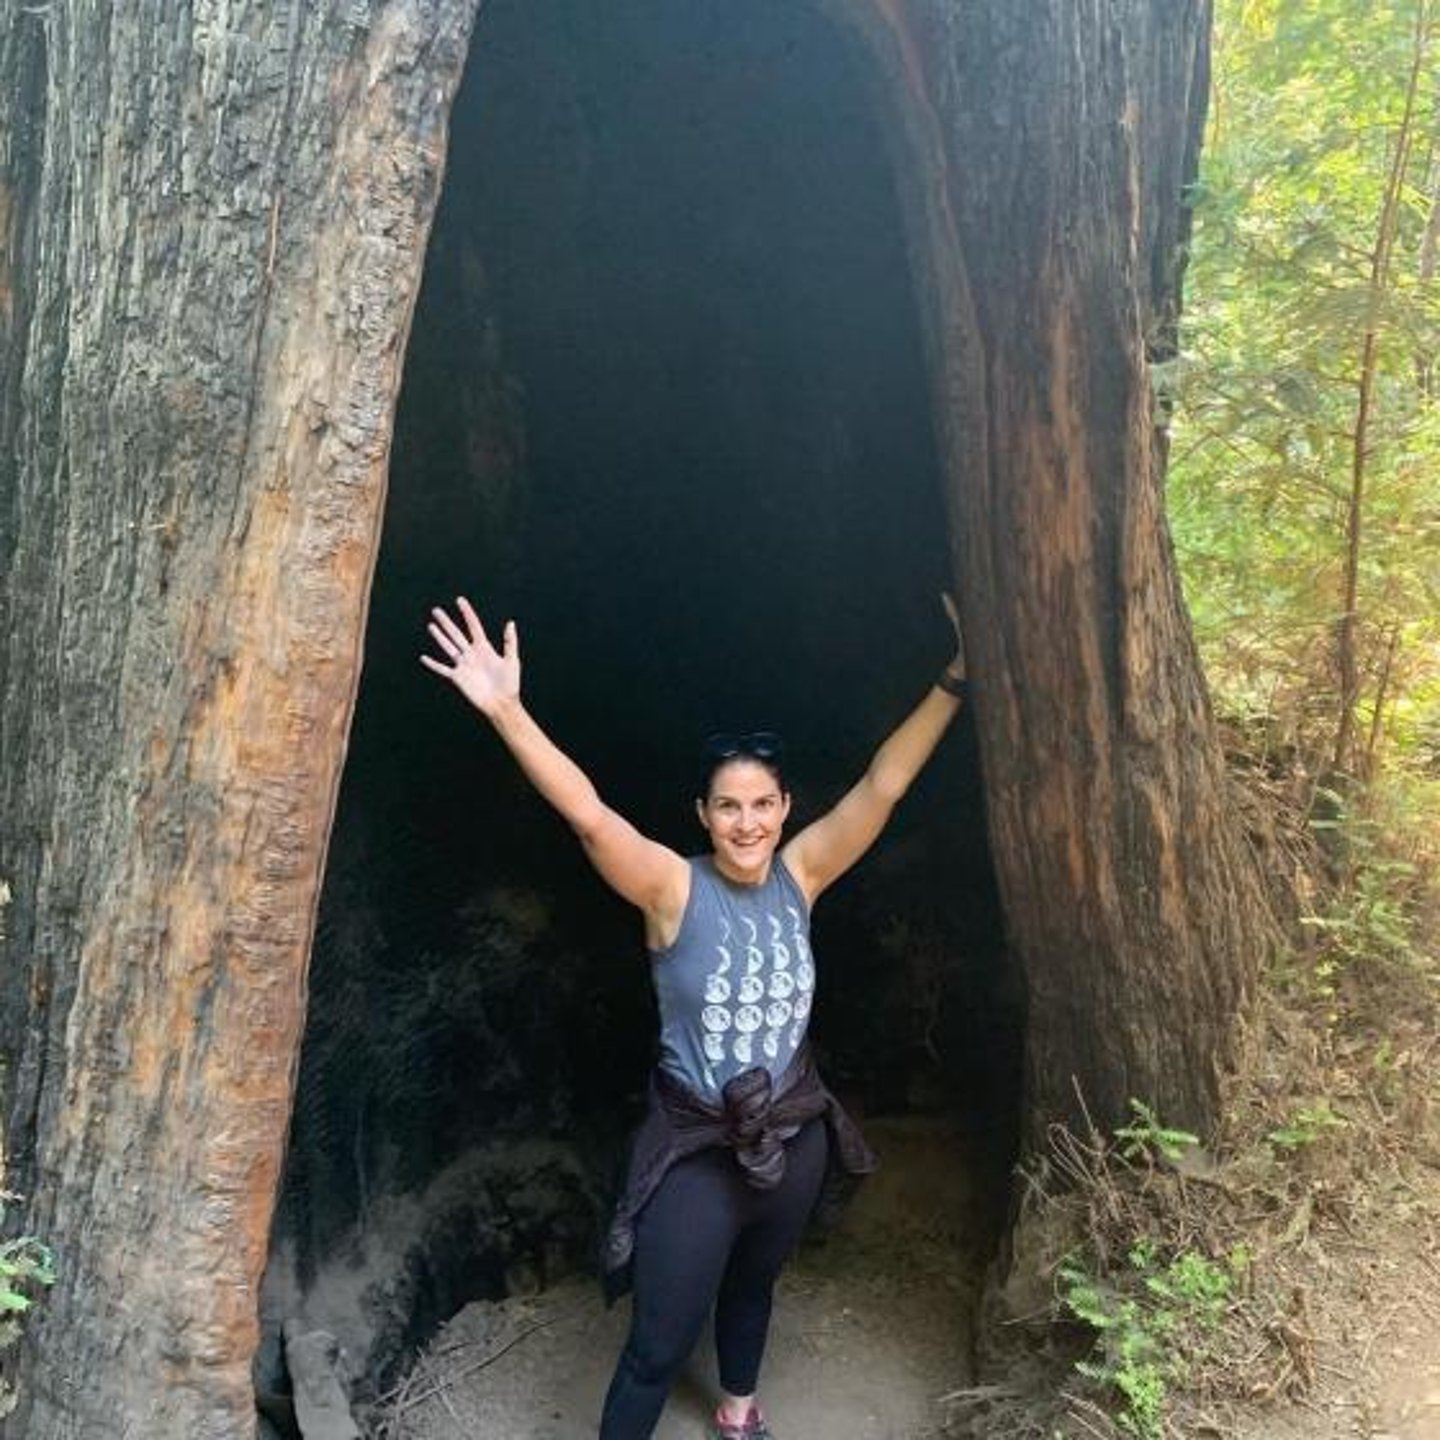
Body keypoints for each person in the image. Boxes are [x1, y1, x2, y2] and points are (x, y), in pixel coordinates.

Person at [421, 595, 968, 1440]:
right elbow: (588, 812)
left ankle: (739, 1413)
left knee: (755, 1286)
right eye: (726, 807)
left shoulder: (803, 876)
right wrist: (506, 710)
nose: (745, 823)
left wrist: (954, 681)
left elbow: (883, 784)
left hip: (794, 1133)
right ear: (702, 816)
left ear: (784, 808)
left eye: (760, 805)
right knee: (657, 1343)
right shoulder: (672, 891)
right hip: (699, 1150)